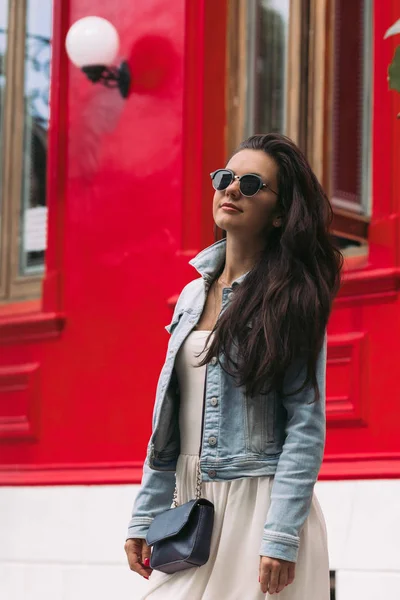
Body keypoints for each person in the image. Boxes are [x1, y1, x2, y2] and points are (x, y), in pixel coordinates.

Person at [125, 133, 342, 599]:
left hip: (259, 506)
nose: (231, 189)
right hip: (191, 504)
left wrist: (281, 536)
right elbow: (166, 422)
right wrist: (146, 513)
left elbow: (305, 424)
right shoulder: (190, 296)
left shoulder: (292, 299)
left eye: (250, 183)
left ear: (280, 213)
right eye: (224, 178)